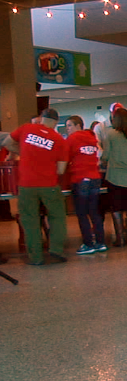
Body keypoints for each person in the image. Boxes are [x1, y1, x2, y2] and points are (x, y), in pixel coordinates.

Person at [1, 108, 68, 265]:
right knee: (57, 216)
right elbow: (61, 169)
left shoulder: (26, 128)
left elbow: (6, 142)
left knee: (30, 220)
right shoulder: (59, 139)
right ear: (56, 122)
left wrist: (23, 152)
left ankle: (36, 258)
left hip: (26, 184)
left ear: (41, 118)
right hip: (49, 184)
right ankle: (56, 250)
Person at [66, 116, 106, 255]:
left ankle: (88, 243)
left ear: (78, 125)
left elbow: (66, 158)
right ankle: (100, 242)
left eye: (69, 125)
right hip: (95, 178)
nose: (68, 129)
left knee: (82, 214)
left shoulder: (72, 139)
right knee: (94, 212)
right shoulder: (91, 137)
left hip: (80, 178)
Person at [102, 108, 127, 247]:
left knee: (116, 208)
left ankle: (120, 238)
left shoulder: (110, 134)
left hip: (115, 176)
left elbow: (106, 155)